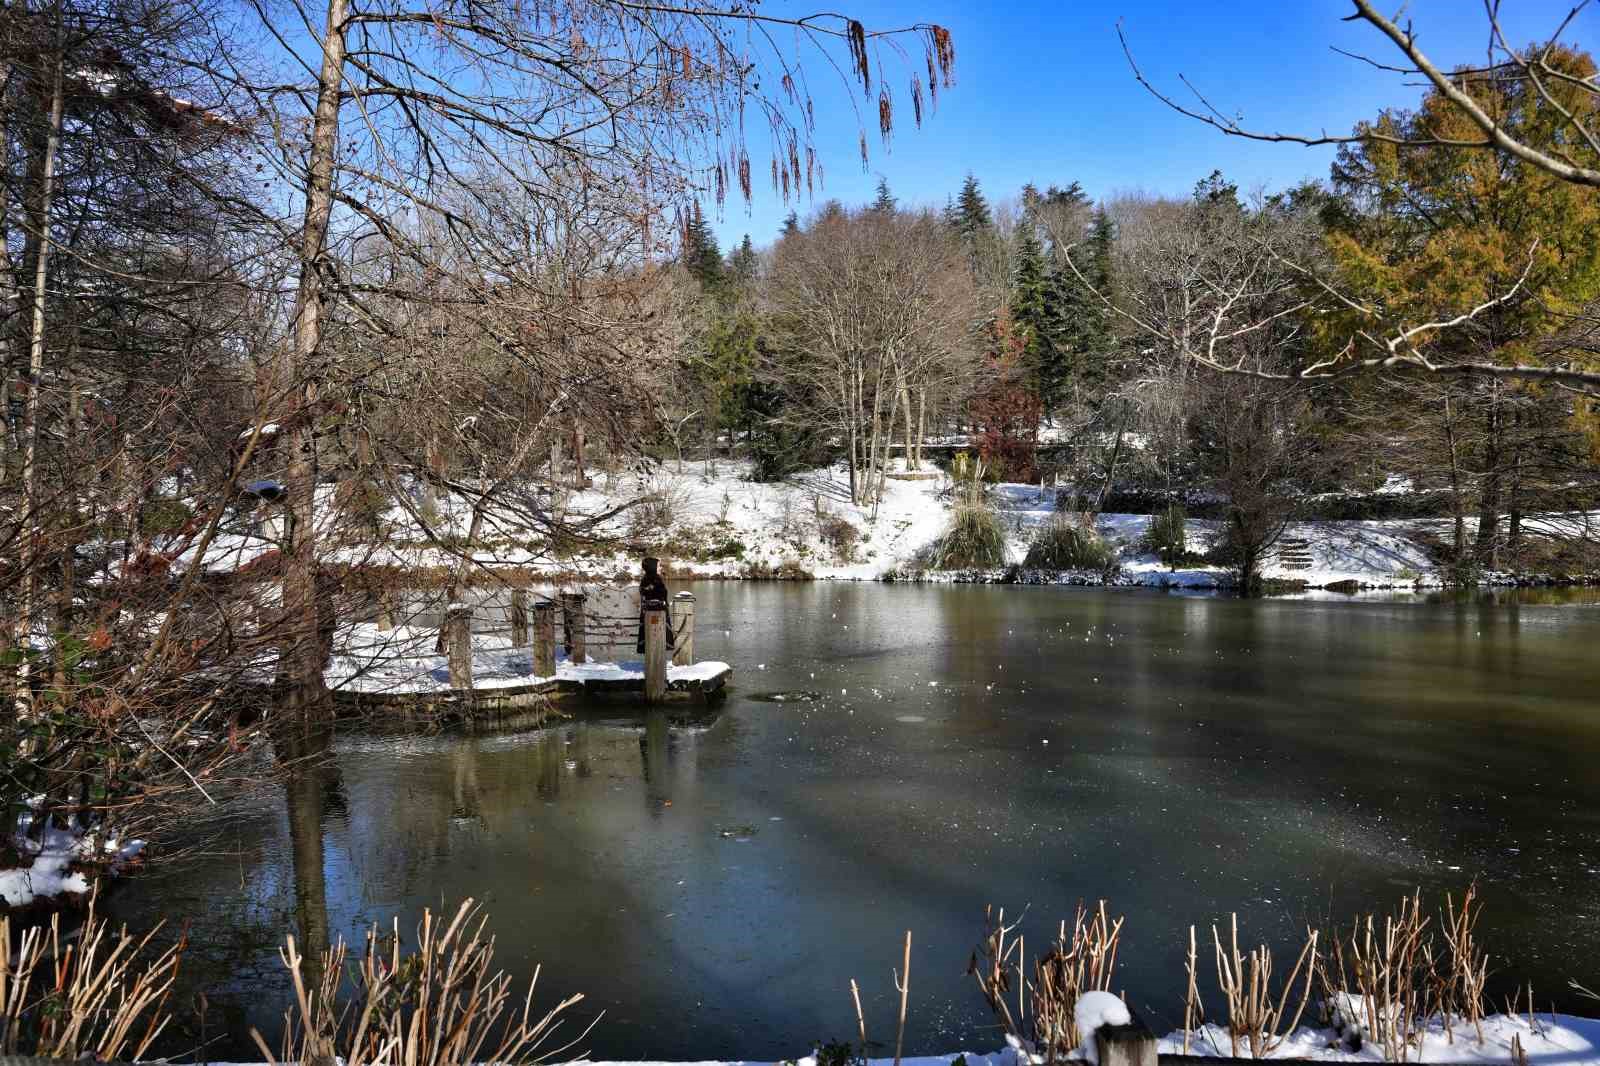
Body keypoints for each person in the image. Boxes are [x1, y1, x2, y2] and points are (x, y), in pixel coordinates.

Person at [635, 556, 674, 653]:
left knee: (654, 639)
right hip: (655, 614)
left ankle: (656, 656)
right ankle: (655, 660)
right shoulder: (651, 579)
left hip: (653, 612)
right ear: (652, 567)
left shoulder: (651, 578)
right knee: (655, 638)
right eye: (657, 565)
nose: (659, 567)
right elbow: (652, 596)